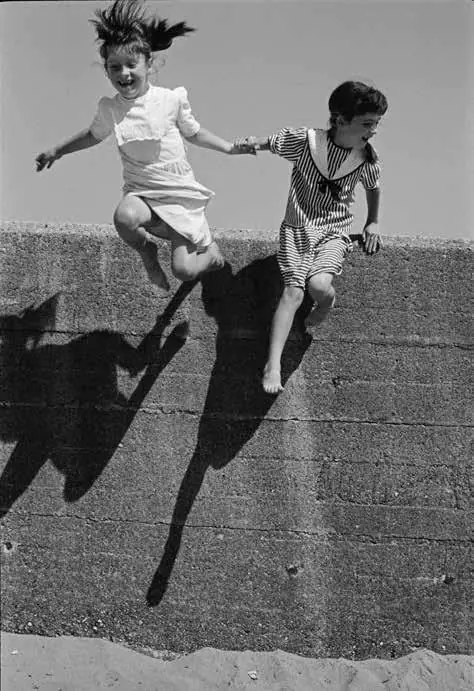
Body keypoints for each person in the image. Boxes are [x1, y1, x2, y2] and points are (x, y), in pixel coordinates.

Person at [36, 0, 254, 291]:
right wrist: (58, 150)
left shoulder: (170, 99)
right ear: (106, 71)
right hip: (142, 192)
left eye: (131, 65)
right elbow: (92, 135)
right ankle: (147, 253)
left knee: (184, 270)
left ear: (149, 64)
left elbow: (194, 133)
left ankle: (211, 257)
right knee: (124, 217)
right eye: (115, 67)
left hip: (177, 194)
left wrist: (228, 148)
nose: (123, 74)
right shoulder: (109, 108)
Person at [238, 81, 388, 394]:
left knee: (319, 285)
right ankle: (273, 364)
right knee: (292, 293)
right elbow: (273, 141)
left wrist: (372, 222)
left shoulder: (365, 158)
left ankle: (326, 302)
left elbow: (373, 189)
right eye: (367, 123)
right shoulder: (307, 143)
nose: (373, 130)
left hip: (334, 231)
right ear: (341, 119)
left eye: (376, 123)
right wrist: (251, 143)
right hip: (297, 229)